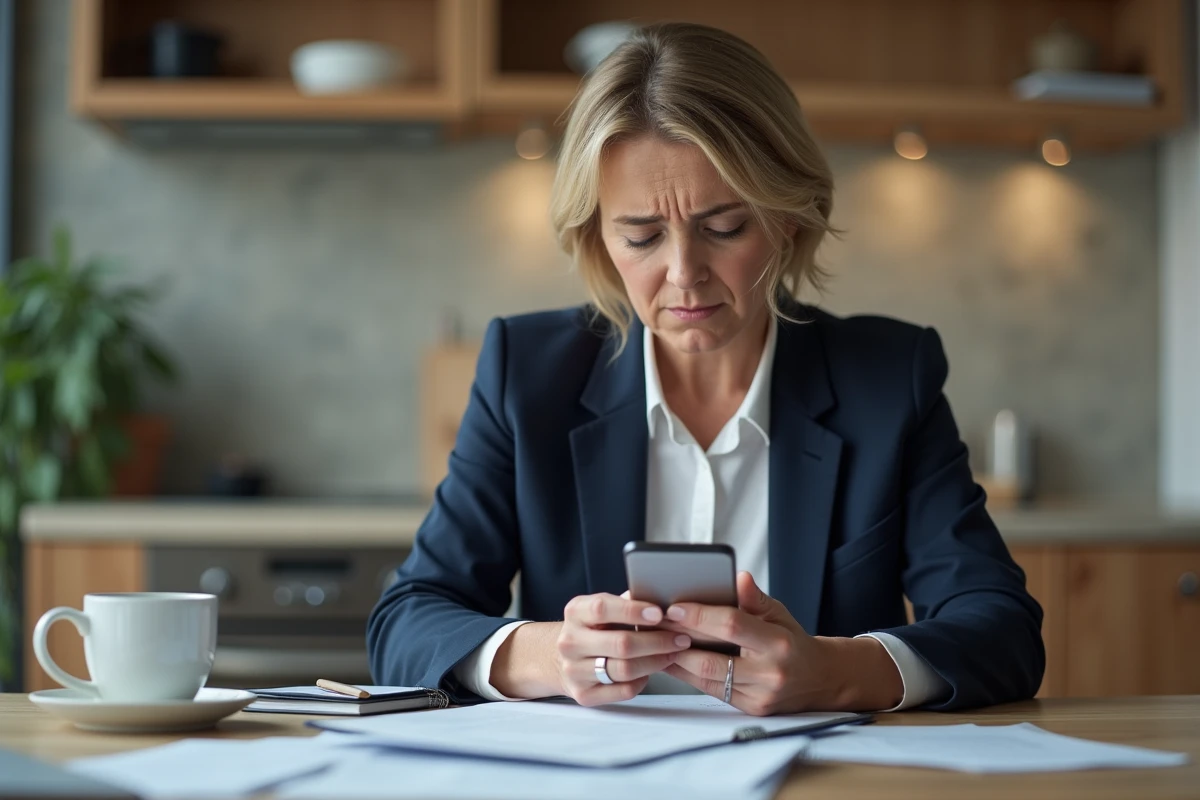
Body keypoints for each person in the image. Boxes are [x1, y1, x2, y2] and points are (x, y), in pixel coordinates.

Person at [368, 22, 1044, 715]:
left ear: (787, 217)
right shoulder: (528, 373)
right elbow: (408, 617)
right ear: (599, 237)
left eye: (724, 228)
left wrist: (839, 671)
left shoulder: (887, 379)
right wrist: (545, 655)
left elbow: (1002, 629)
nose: (684, 275)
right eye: (641, 235)